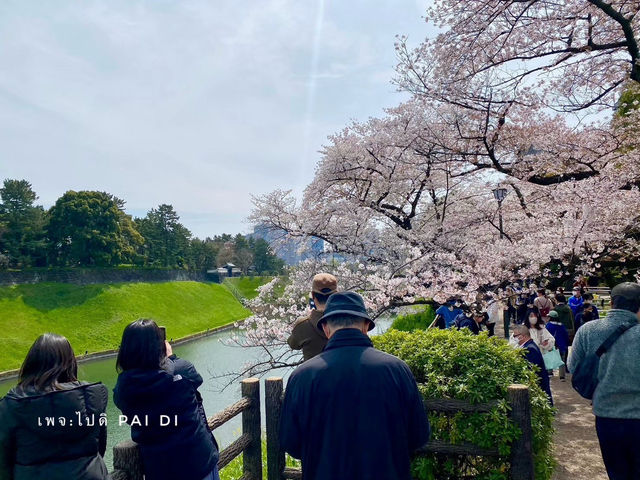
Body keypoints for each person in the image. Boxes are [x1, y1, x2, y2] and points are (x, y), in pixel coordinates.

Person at [280, 291, 430, 480]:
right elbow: (418, 436)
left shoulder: (302, 376)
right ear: (366, 327)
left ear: (326, 329)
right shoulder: (398, 370)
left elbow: (291, 443)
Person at [113, 319, 219, 480]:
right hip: (198, 461)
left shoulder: (123, 388)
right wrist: (170, 358)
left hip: (160, 468)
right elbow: (196, 379)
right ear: (159, 346)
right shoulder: (180, 370)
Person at [0, 333, 109, 480]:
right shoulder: (95, 396)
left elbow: (3, 463)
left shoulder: (10, 405)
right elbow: (100, 446)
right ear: (70, 362)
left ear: (31, 363)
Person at [568, 282, 640, 480]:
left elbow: (574, 368)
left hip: (606, 414)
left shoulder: (588, 330)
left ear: (613, 303)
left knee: (617, 473)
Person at [287, 273, 338, 360]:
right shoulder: (347, 322)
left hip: (312, 372)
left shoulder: (303, 325)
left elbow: (293, 344)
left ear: (313, 296)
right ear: (336, 295)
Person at [512, 325, 553, 405]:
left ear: (522, 336)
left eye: (515, 335)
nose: (513, 338)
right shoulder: (528, 346)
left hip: (538, 387)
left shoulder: (530, 349)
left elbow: (532, 370)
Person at [546, 310, 570, 380]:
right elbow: (565, 335)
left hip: (552, 345)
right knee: (561, 360)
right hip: (562, 345)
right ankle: (562, 376)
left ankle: (550, 372)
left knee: (550, 358)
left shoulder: (548, 325)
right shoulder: (561, 325)